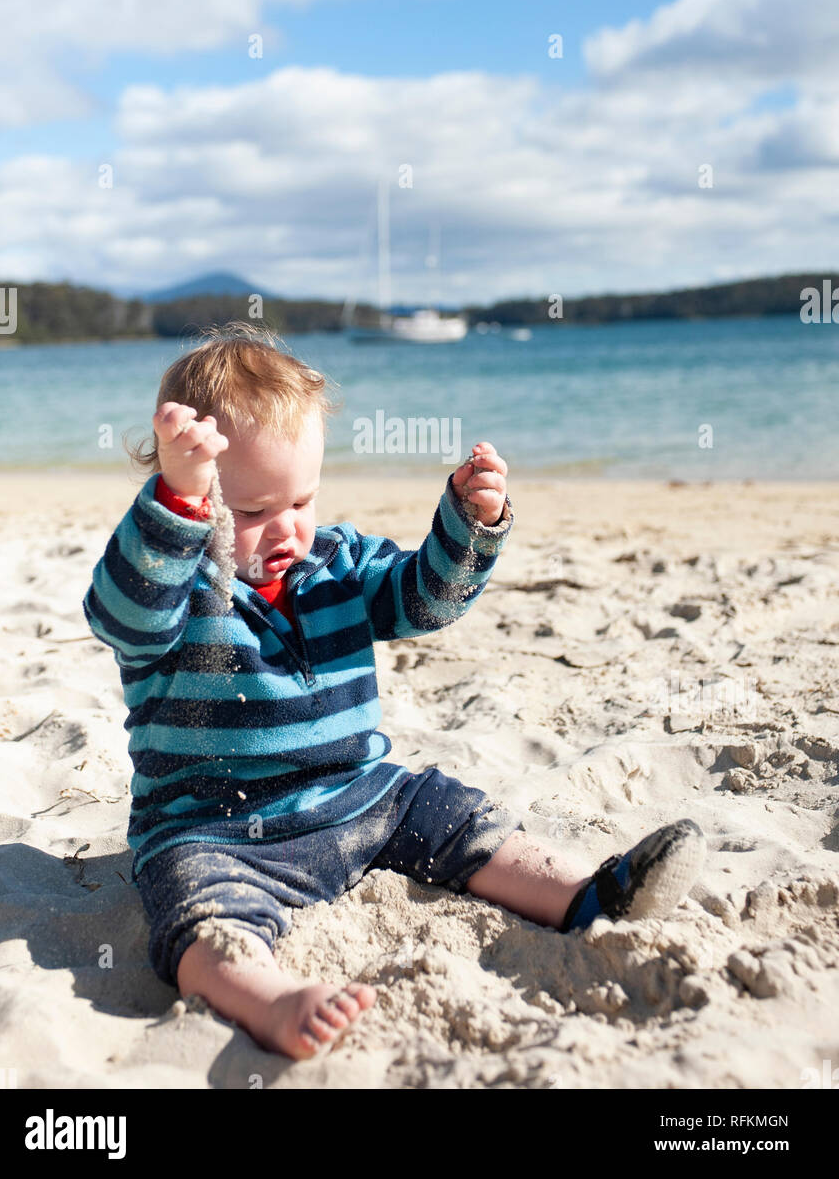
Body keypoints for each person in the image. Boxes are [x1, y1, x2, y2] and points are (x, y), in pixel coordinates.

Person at [83, 322, 705, 1060]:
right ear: (185, 502)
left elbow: (422, 600)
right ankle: (271, 1000)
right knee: (197, 915)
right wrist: (176, 506)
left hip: (360, 799)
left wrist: (469, 527)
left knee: (456, 814)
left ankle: (588, 894)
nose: (286, 531)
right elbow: (122, 614)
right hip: (212, 830)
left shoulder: (337, 563)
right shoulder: (175, 589)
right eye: (251, 513)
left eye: (302, 501)